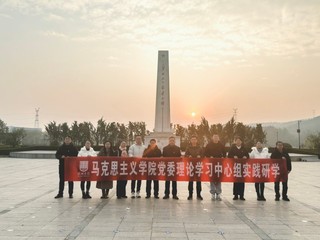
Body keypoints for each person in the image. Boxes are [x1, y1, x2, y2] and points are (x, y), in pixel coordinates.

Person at [204, 134, 226, 201]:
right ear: (212, 138)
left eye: (217, 137)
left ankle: (218, 193)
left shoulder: (221, 145)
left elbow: (224, 153)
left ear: (218, 138)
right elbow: (205, 153)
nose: (216, 138)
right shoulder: (209, 145)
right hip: (211, 164)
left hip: (219, 165)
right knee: (212, 178)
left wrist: (223, 157)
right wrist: (209, 156)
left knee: (219, 179)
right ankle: (213, 194)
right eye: (214, 137)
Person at [228, 136, 249, 201]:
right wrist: (233, 156)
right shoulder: (232, 148)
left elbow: (248, 156)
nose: (238, 142)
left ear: (241, 142)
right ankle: (236, 195)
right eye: (237, 140)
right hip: (235, 167)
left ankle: (241, 195)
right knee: (236, 181)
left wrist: (246, 157)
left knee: (242, 181)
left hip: (242, 167)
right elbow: (229, 156)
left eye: (239, 140)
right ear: (235, 141)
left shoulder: (244, 148)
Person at [185, 135, 204, 200]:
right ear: (190, 140)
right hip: (191, 166)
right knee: (190, 181)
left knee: (198, 181)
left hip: (198, 166)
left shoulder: (200, 148)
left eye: (194, 139)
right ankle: (190, 194)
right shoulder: (188, 148)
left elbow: (203, 155)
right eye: (192, 139)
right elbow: (185, 155)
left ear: (196, 140)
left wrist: (200, 156)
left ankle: (199, 194)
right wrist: (188, 156)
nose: (193, 141)